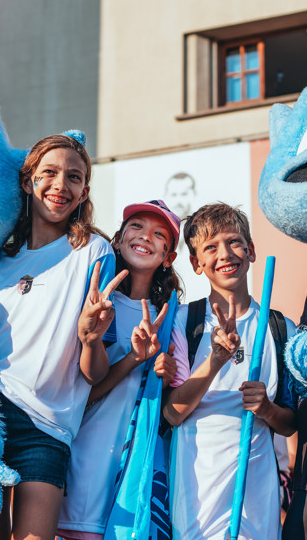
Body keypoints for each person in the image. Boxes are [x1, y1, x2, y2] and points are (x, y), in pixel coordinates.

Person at [0, 133, 126, 540]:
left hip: (47, 430)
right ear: (28, 182)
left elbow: (94, 374)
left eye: (74, 177)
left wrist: (91, 338)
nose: (61, 184)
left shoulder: (95, 253)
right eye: (50, 173)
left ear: (84, 192)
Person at [164, 202, 297, 540]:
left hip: (257, 489)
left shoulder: (282, 328)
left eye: (234, 242)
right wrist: (216, 360)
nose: (225, 253)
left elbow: (292, 422)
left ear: (251, 250)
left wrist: (267, 409)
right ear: (196, 264)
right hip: (195, 490)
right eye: (210, 247)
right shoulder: (182, 322)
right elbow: (172, 413)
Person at [58, 199, 190, 540]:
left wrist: (164, 372)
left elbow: (174, 413)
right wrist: (134, 358)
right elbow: (79, 396)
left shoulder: (174, 319)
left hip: (138, 474)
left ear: (168, 257)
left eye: (159, 234)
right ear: (117, 239)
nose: (145, 237)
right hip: (83, 468)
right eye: (137, 226)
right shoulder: (94, 302)